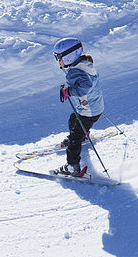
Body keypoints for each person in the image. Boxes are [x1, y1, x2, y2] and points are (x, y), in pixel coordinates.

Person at [52, 37, 104, 177]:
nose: (58, 61)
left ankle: (73, 167)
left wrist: (68, 91)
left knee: (74, 140)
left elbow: (84, 87)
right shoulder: (83, 64)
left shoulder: (77, 71)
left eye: (59, 58)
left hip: (89, 111)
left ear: (68, 57)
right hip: (94, 107)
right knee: (73, 118)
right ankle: (83, 136)